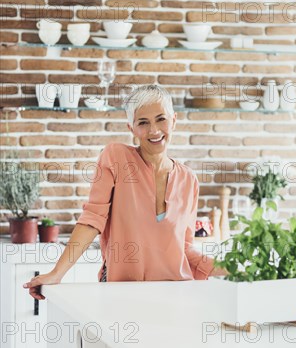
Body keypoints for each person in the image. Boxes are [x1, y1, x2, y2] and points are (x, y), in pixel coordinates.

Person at [24, 85, 227, 300]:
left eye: (161, 119)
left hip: (174, 295)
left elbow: (185, 249)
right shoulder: (115, 158)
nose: (154, 130)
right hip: (120, 292)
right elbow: (93, 219)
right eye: (143, 123)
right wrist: (57, 273)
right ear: (131, 128)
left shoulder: (188, 179)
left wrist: (232, 268)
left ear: (174, 120)